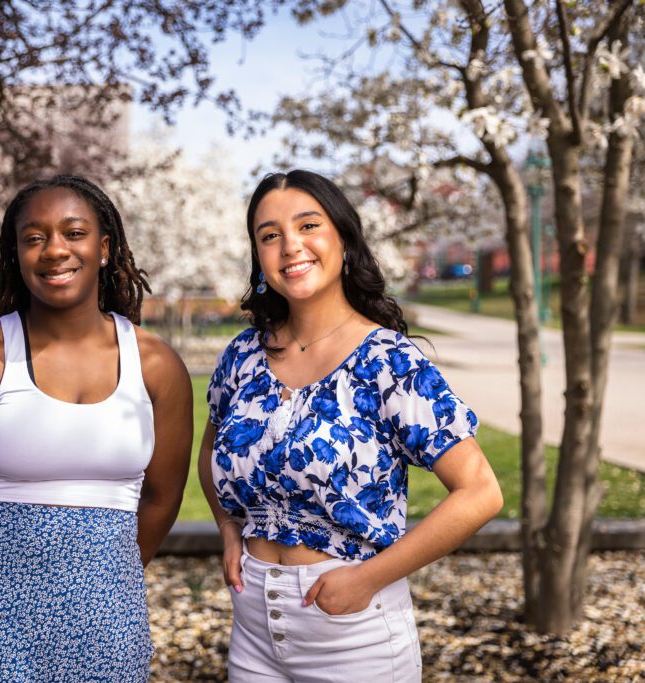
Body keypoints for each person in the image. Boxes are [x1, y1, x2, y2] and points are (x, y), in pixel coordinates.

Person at [198, 170, 503, 682]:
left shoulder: (389, 361)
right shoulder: (243, 356)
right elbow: (212, 454)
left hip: (353, 631)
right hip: (252, 627)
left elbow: (480, 492)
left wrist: (368, 579)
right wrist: (230, 528)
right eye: (269, 235)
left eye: (308, 225)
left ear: (343, 237)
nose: (290, 245)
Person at [0, 174, 193, 682]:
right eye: (34, 238)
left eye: (73, 233)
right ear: (15, 255)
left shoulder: (156, 365)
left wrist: (109, 575)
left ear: (105, 248)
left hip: (109, 626)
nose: (54, 250)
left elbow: (162, 497)